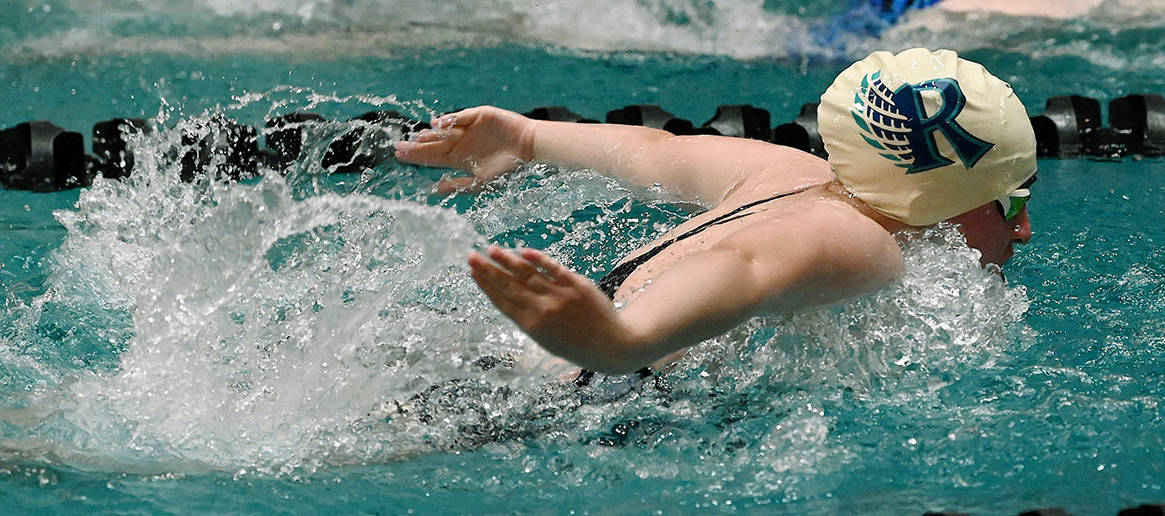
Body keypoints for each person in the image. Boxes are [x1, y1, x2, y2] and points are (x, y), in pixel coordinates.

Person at [394, 48, 1036, 378]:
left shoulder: (786, 169)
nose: (1023, 228)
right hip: (591, 385)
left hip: (527, 355)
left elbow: (652, 151)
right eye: (1013, 198)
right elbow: (743, 265)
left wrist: (529, 139)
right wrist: (622, 343)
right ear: (941, 196)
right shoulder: (861, 240)